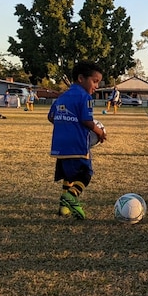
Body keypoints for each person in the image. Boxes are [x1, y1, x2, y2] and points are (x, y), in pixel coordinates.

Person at [48, 60, 106, 219]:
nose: (97, 86)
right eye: (95, 81)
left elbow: (51, 117)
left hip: (59, 145)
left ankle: (63, 208)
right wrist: (99, 132)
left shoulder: (62, 96)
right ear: (81, 78)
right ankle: (71, 197)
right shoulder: (85, 97)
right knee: (86, 173)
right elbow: (87, 121)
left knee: (69, 175)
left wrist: (65, 124)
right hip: (77, 144)